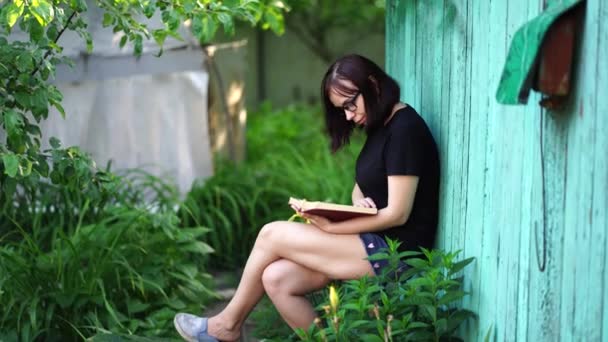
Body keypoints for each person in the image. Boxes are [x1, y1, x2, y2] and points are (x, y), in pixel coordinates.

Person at [173, 54, 440, 342]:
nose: (349, 116)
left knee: (271, 234)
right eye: (342, 110)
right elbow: (361, 186)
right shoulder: (379, 125)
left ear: (372, 84)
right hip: (372, 239)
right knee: (277, 278)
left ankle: (226, 326)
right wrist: (358, 204)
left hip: (397, 252)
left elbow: (397, 214)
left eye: (350, 104)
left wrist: (331, 227)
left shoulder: (405, 130)